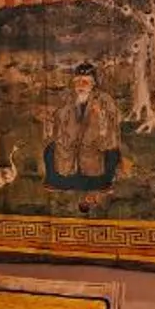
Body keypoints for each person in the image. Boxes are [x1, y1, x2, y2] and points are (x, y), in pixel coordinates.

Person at [40, 62, 122, 212]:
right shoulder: (70, 98)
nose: (80, 85)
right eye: (77, 81)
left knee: (111, 153)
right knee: (50, 150)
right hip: (70, 146)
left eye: (85, 82)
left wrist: (100, 115)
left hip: (95, 146)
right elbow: (59, 121)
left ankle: (101, 184)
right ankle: (60, 183)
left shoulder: (105, 99)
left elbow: (111, 126)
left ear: (93, 83)